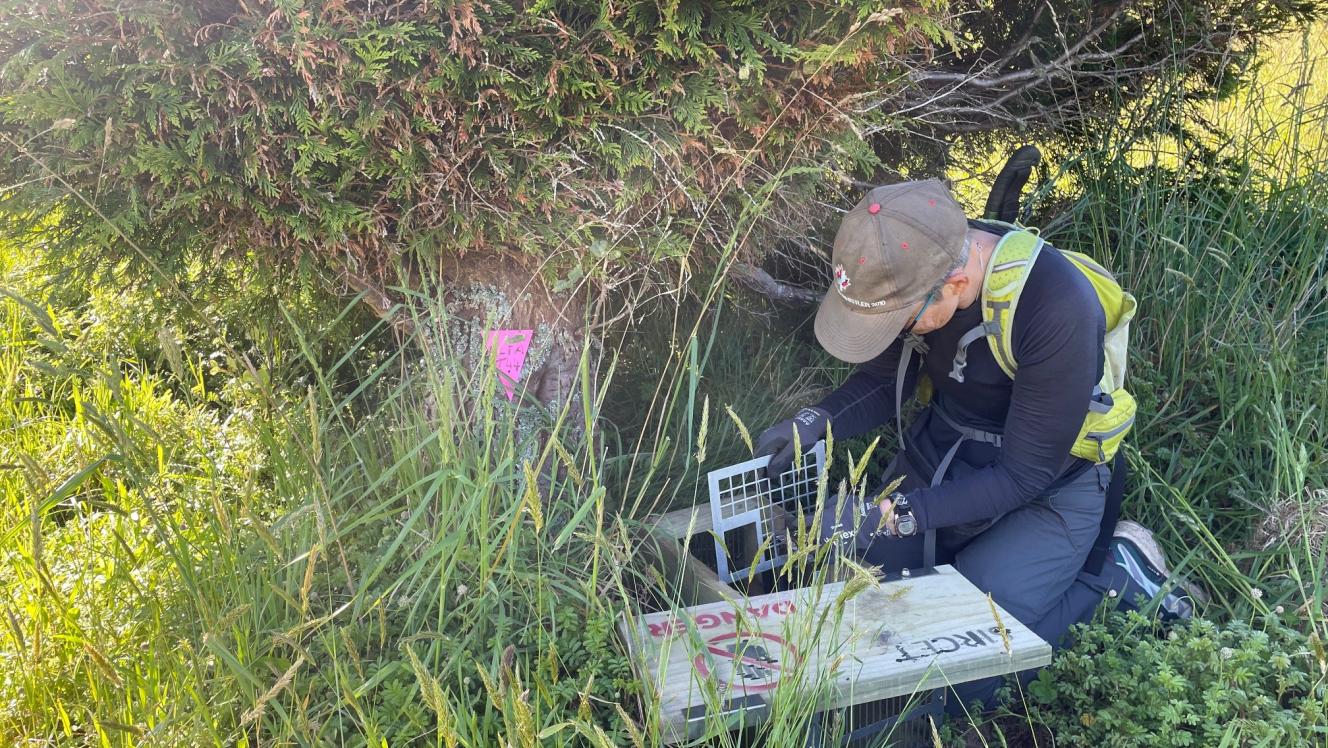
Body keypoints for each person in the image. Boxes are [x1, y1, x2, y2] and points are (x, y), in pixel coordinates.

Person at [754, 179, 1201, 716]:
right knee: (867, 589)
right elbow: (882, 380)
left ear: (957, 284)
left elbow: (1023, 476)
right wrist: (813, 422)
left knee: (969, 665)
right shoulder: (911, 264)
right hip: (949, 451)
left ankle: (1121, 579)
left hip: (1049, 489)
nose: (890, 331)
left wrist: (899, 516)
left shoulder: (1055, 306)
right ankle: (963, 562)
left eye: (897, 322)